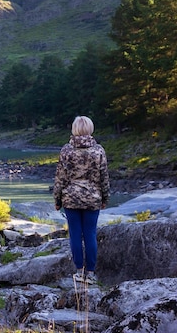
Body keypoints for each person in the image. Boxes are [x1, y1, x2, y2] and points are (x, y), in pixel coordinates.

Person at [53, 116, 110, 285]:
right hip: (93, 198)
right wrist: (105, 197)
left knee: (75, 235)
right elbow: (104, 177)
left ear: (74, 129)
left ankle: (79, 271)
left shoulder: (66, 151)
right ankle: (91, 273)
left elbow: (60, 178)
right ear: (90, 129)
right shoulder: (98, 151)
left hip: (71, 199)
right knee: (90, 234)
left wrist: (57, 199)